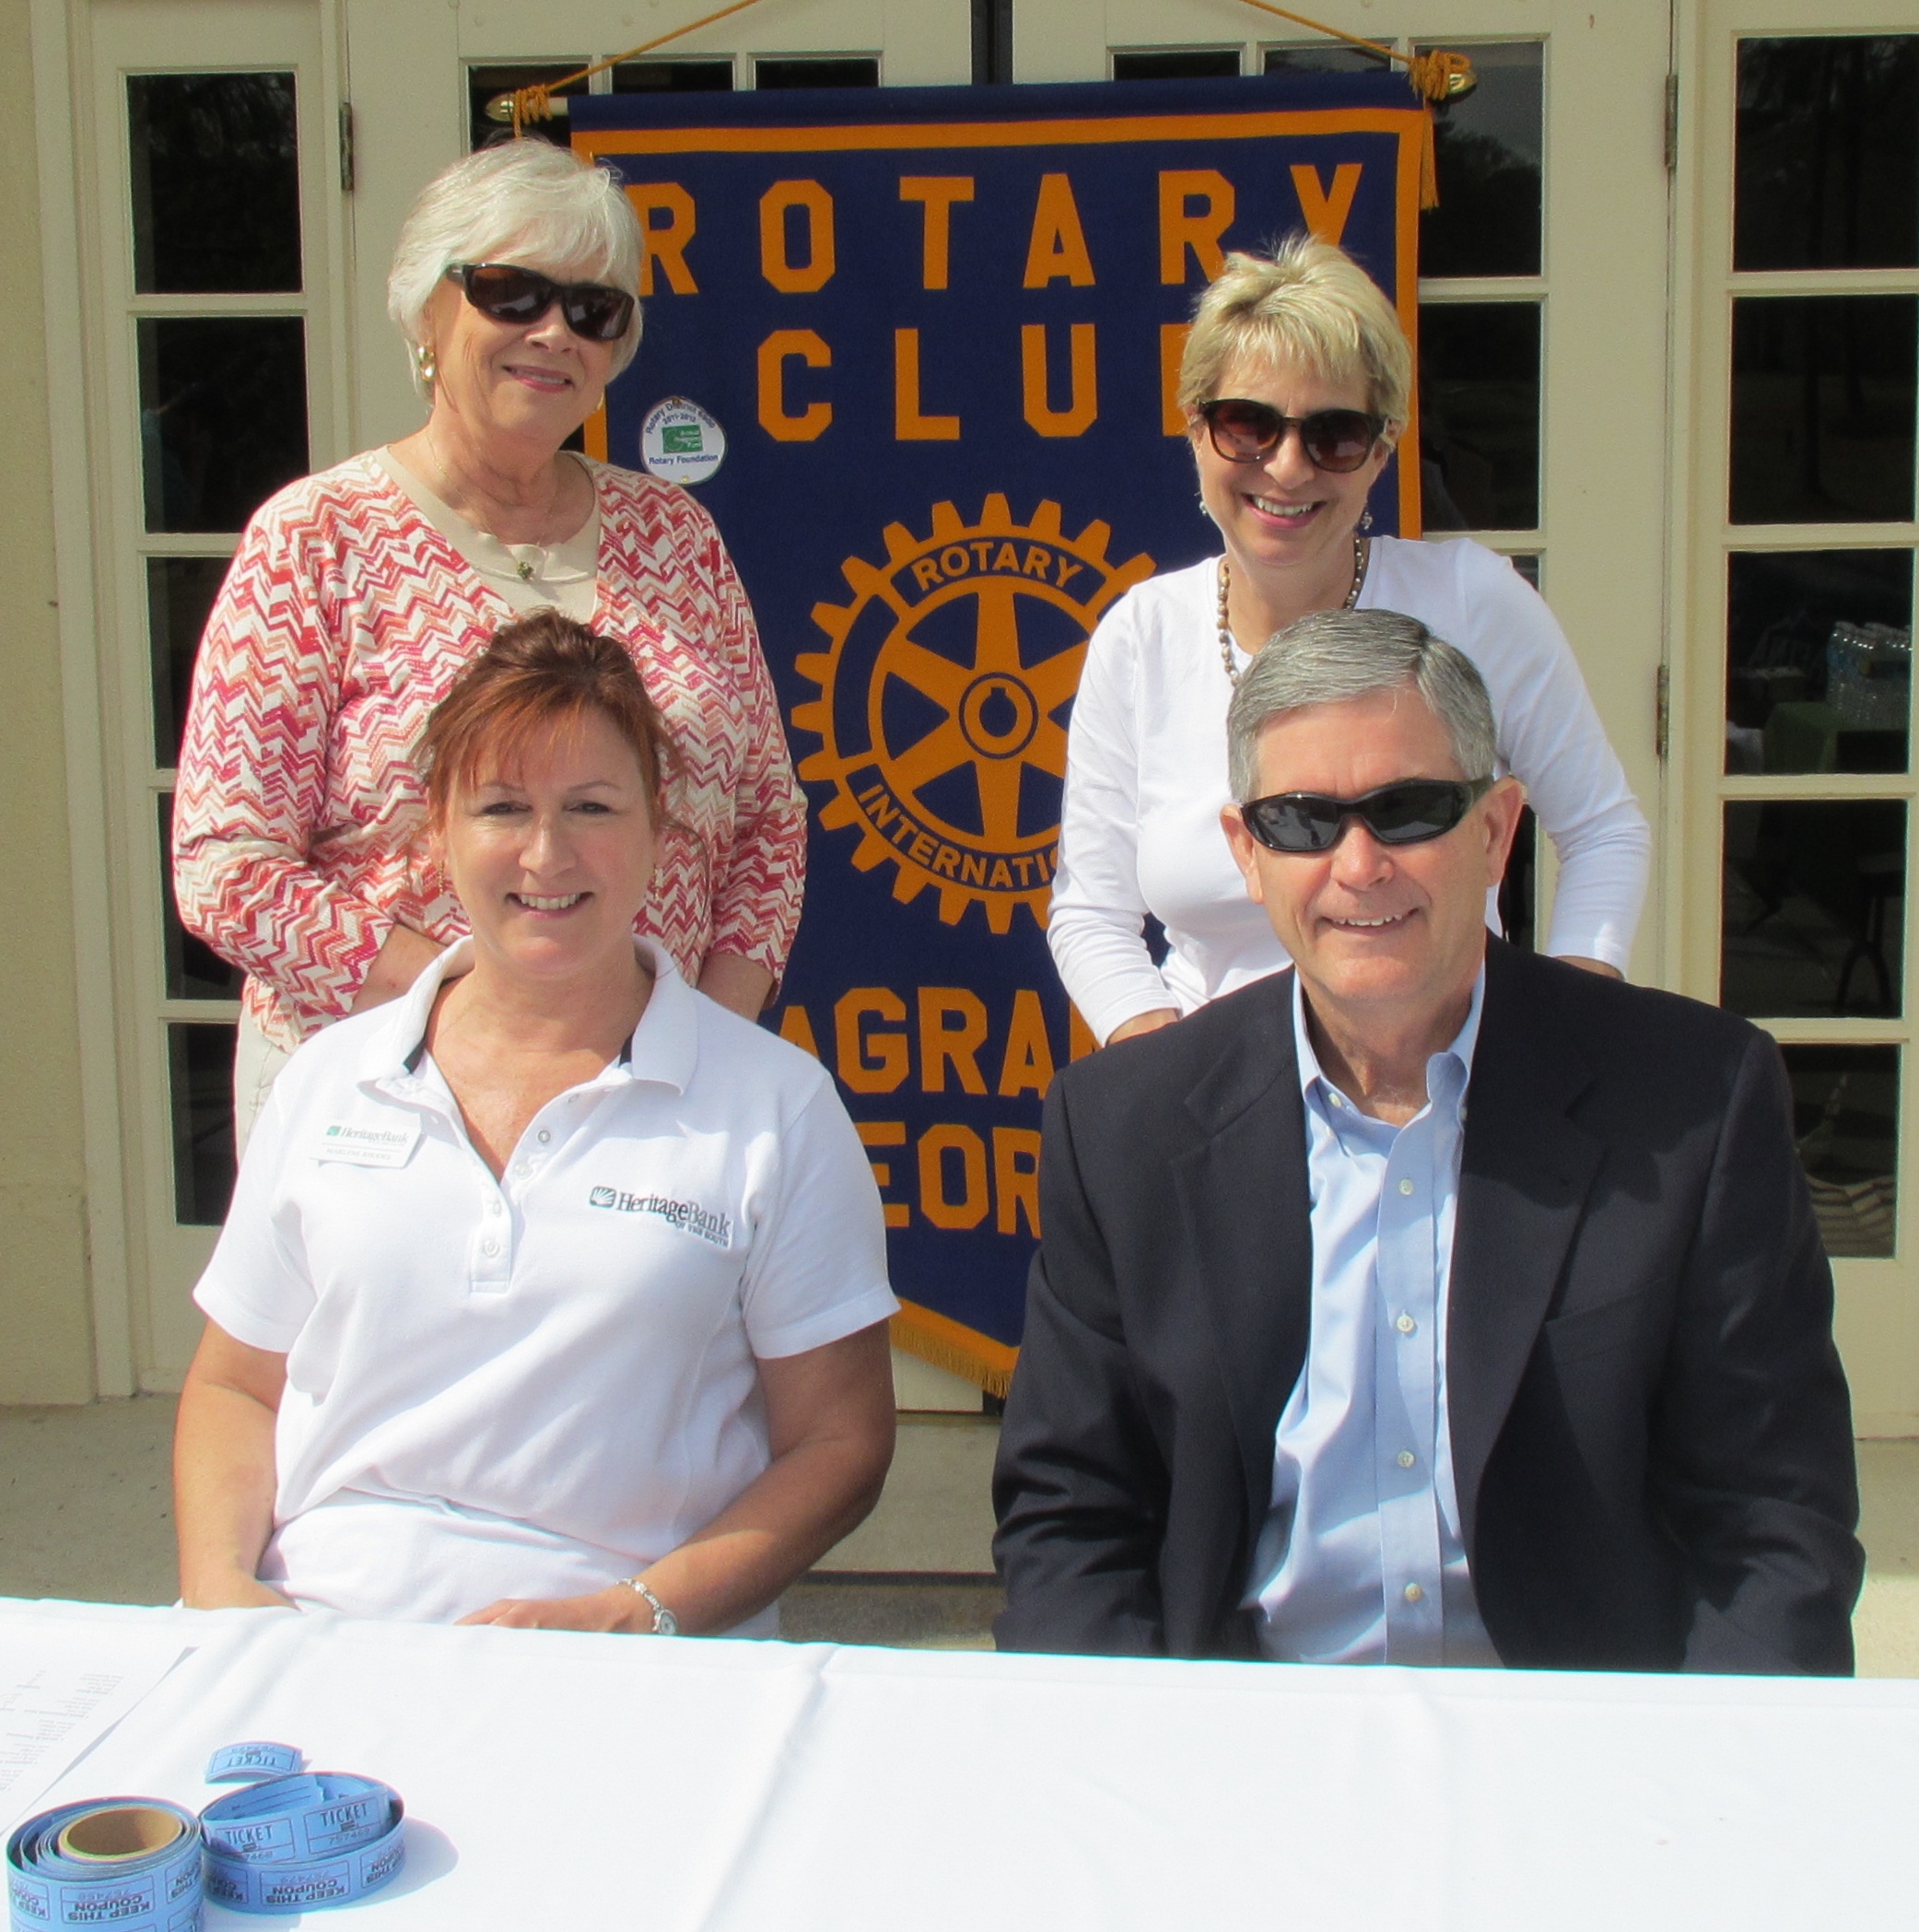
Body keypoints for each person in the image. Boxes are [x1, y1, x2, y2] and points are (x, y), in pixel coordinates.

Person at [994, 609, 1861, 1674]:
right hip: (1248, 1730)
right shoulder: (1123, 1127)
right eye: (1303, 821)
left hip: (1577, 1736)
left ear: (1495, 831)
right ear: (1246, 853)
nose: (1358, 865)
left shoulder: (1695, 1104)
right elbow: (1070, 1522)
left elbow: (1773, 1526)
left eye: (1406, 811)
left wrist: (1690, 1770)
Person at [173, 613, 895, 1633]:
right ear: (438, 829)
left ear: (659, 831)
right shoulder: (328, 1080)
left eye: (591, 807)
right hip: (314, 1634)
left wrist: (630, 1615)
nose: (547, 855)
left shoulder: (775, 1107)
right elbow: (238, 1389)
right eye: (502, 807)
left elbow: (838, 1445)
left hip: (625, 1659)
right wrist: (222, 1595)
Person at [174, 138, 804, 1145]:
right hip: (382, 1104)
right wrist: (471, 1015)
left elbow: (769, 819)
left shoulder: (675, 537)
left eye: (593, 309)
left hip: (654, 1108)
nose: (554, 332)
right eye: (512, 293)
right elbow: (227, 863)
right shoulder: (317, 540)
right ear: (426, 308)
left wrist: (704, 1045)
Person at [1049, 236, 1652, 1047]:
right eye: (1247, 425)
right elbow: (1090, 911)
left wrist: (1560, 1032)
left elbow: (1602, 830)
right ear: (1195, 431)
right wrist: (1168, 1079)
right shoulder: (1140, 637)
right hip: (1213, 1084)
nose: (1287, 468)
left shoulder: (1471, 603)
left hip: (1458, 1075)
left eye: (1333, 435)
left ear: (1381, 452)